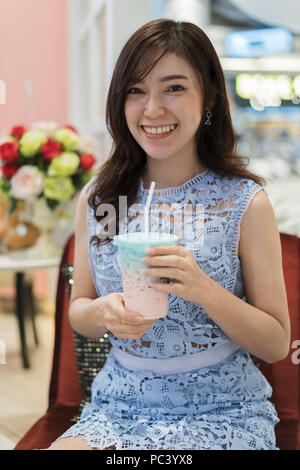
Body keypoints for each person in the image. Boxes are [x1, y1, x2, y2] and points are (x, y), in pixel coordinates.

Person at [47, 19, 290, 450]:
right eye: (136, 90)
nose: (152, 109)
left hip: (223, 410)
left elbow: (274, 344)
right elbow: (78, 315)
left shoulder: (245, 203)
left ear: (209, 96)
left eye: (174, 88)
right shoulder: (99, 196)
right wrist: (104, 311)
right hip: (118, 408)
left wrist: (201, 288)